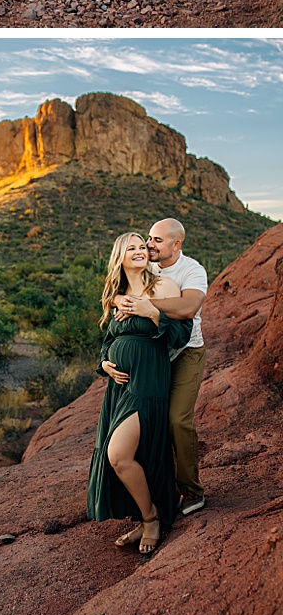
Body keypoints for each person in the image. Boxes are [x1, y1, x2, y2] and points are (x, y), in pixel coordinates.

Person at [86, 231, 193, 556]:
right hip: (119, 386)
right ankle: (143, 516)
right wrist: (104, 363)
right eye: (130, 248)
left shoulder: (163, 287)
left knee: (118, 455)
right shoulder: (117, 295)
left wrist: (152, 312)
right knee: (134, 453)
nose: (139, 251)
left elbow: (181, 334)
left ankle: (152, 519)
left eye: (142, 247)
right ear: (119, 257)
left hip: (148, 379)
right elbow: (110, 339)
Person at [114, 218, 208, 516]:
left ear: (176, 244)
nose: (149, 244)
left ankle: (191, 490)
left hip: (186, 351)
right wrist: (119, 298)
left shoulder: (192, 271)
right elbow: (119, 283)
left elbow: (188, 308)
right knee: (151, 424)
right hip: (155, 355)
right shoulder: (148, 265)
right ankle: (160, 493)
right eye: (149, 238)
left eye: (157, 240)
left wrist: (146, 306)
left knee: (177, 420)